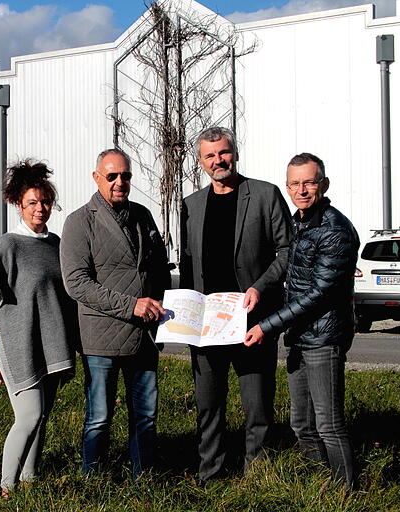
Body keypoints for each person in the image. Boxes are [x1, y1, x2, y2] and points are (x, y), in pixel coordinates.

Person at [179, 127, 291, 482]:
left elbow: (288, 250)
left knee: (256, 405)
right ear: (200, 162)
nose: (218, 161)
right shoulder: (190, 205)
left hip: (252, 320)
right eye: (210, 156)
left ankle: (257, 474)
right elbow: (186, 264)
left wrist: (260, 286)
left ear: (235, 153)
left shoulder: (264, 194)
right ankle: (209, 473)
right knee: (209, 406)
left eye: (223, 153)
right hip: (207, 325)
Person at [0, 160, 78, 495]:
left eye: (45, 202)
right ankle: (6, 488)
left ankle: (29, 480)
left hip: (51, 343)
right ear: (18, 205)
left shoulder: (56, 244)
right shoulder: (7, 246)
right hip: (17, 345)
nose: (40, 209)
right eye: (32, 203)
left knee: (42, 418)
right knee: (29, 415)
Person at [245, 153, 359, 488]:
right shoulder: (297, 223)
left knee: (328, 424)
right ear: (288, 186)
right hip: (298, 335)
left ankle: (345, 491)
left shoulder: (334, 229)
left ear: (323, 184)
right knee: (301, 424)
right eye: (295, 183)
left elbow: (319, 294)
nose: (302, 189)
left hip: (324, 337)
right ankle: (321, 482)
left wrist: (268, 325)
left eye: (309, 182)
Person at [60, 148, 171, 477]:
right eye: (112, 176)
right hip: (101, 339)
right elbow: (76, 283)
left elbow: (159, 269)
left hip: (144, 336)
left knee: (146, 414)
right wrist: (131, 305)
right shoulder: (80, 221)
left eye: (125, 176)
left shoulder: (143, 215)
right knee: (99, 416)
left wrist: (163, 305)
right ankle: (94, 480)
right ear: (97, 178)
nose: (119, 182)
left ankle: (144, 477)